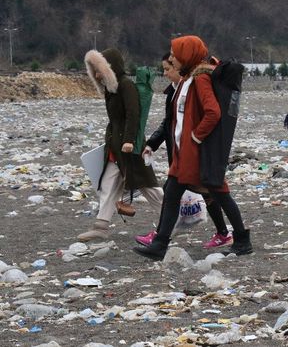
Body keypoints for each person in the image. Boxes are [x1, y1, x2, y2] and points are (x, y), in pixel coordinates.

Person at [133, 35, 252, 261]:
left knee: (219, 193)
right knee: (172, 194)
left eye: (175, 54)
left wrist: (196, 137)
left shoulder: (200, 79)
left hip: (195, 153)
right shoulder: (188, 78)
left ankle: (243, 240)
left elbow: (213, 112)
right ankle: (159, 245)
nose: (172, 58)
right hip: (183, 152)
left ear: (187, 55)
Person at [138, 55, 232, 250]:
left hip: (191, 153)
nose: (165, 73)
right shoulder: (175, 90)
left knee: (207, 192)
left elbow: (209, 114)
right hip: (182, 152)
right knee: (188, 192)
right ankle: (162, 239)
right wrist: (152, 144)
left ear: (178, 66)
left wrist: (195, 138)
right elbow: (169, 123)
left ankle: (234, 234)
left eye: (167, 68)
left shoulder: (191, 86)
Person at [79, 49, 164, 242]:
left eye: (99, 70)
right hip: (115, 147)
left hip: (129, 147)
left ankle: (171, 218)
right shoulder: (111, 89)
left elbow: (133, 114)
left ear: (110, 68)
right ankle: (101, 226)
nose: (97, 75)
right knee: (108, 185)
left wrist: (129, 140)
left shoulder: (126, 86)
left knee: (149, 187)